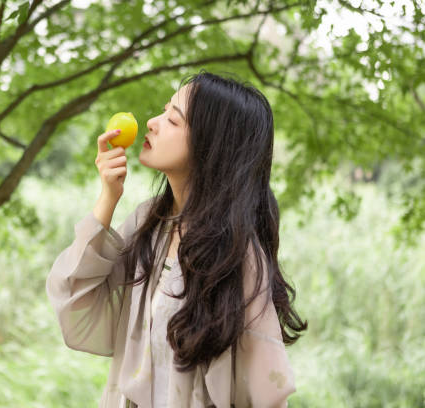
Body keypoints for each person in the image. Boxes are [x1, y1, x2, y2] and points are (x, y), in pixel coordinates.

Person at [46, 70, 308, 408]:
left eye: (173, 119)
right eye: (163, 110)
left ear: (210, 145)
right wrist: (107, 199)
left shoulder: (236, 257)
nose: (152, 122)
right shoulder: (149, 223)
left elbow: (265, 394)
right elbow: (74, 303)